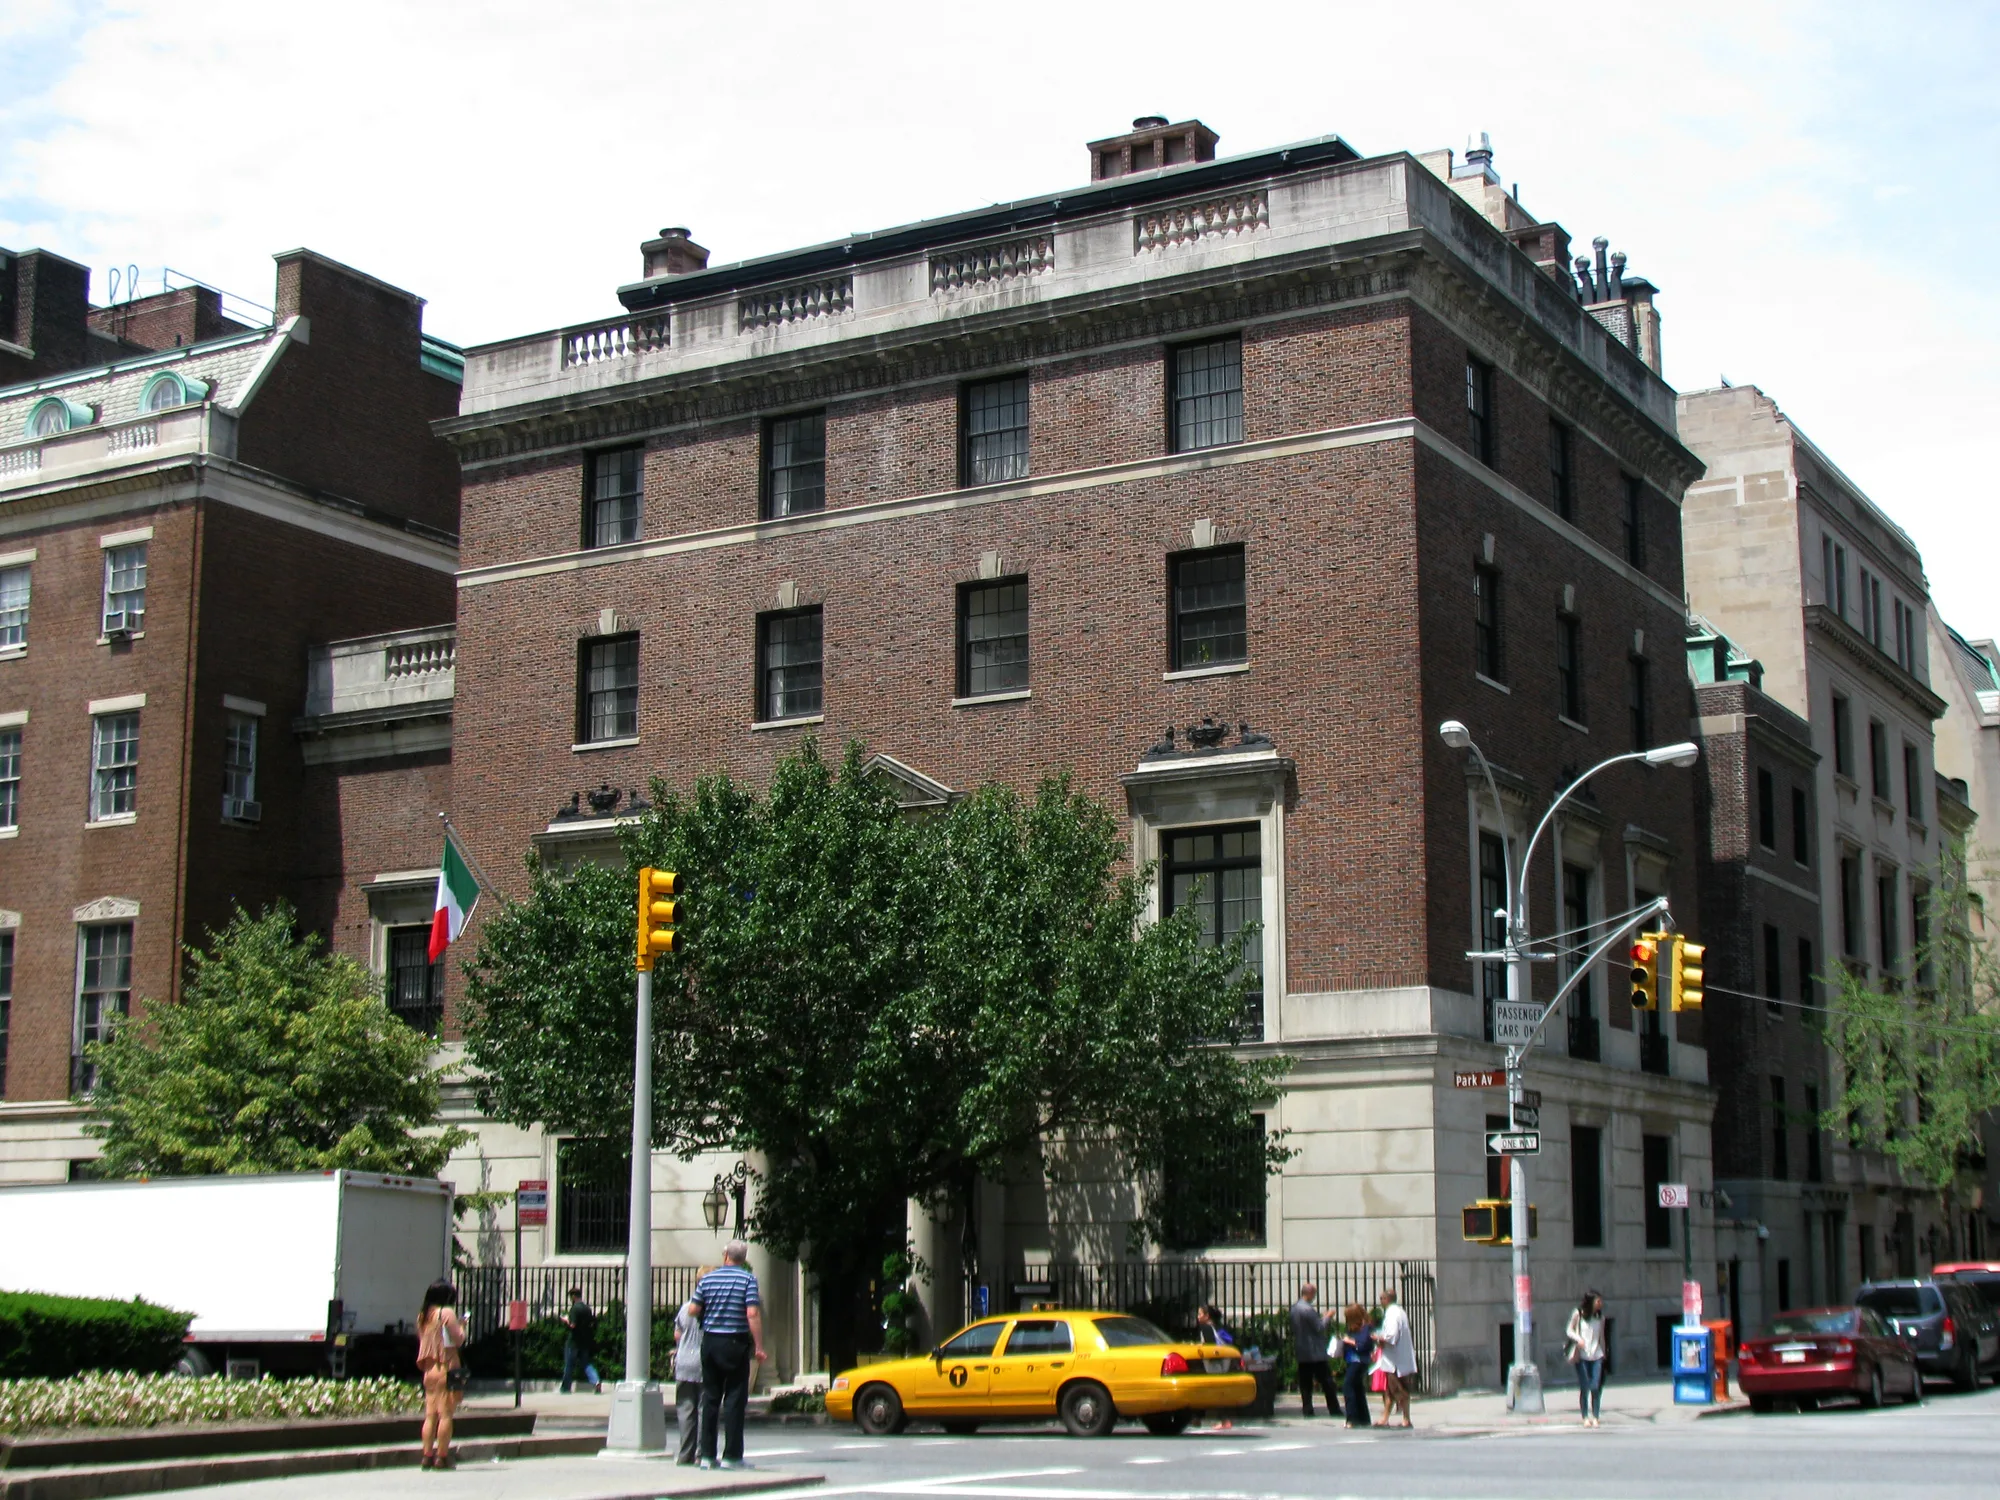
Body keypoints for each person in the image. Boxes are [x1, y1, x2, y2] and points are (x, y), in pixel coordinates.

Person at [690, 1241, 766, 1470]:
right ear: (743, 1258)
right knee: (734, 1399)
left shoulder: (708, 1279)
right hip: (736, 1341)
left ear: (725, 1256)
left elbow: (693, 1309)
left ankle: (707, 1455)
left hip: (711, 1341)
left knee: (710, 1398)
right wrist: (759, 1346)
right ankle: (732, 1455)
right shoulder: (748, 1280)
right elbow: (752, 1312)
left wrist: (710, 1313)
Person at [416, 1279, 467, 1470]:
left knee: (430, 1415)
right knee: (446, 1415)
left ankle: (426, 1455)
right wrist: (462, 1325)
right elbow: (459, 1340)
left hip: (429, 1371)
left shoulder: (423, 1316)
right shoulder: (446, 1313)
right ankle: (442, 1457)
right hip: (447, 1368)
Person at [673, 1268, 712, 1465]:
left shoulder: (685, 1308)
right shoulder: (712, 1309)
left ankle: (684, 1454)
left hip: (683, 1363)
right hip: (704, 1363)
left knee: (685, 1410)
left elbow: (677, 1335)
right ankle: (701, 1453)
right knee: (704, 1408)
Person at [1289, 1282, 1341, 1419]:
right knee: (1327, 1382)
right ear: (1310, 1293)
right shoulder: (1308, 1309)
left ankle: (1307, 1409)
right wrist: (1328, 1316)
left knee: (1305, 1383)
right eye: (1314, 1294)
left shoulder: (1294, 1309)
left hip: (1302, 1350)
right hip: (1315, 1353)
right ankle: (1334, 1409)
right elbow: (1319, 1327)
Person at [1565, 1290, 1607, 1426]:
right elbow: (1569, 1330)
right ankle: (1585, 1417)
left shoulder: (1600, 1317)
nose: (1600, 1303)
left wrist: (1604, 1352)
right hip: (1582, 1356)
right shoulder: (1578, 1313)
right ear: (1591, 1302)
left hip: (1597, 1355)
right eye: (1598, 1301)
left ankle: (1595, 1416)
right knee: (1585, 1387)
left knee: (1595, 1386)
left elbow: (1601, 1336)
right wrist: (1579, 1339)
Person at [1192, 1305, 1236, 1429]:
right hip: (1222, 1362)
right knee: (1211, 1391)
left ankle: (1202, 1417)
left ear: (1207, 1316)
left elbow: (1210, 1347)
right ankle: (1198, 1417)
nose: (1198, 1316)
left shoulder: (1206, 1328)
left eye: (1200, 1314)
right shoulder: (1217, 1327)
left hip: (1213, 1364)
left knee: (1211, 1391)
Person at [1377, 1285, 1415, 1427]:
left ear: (1387, 1299)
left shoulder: (1392, 1314)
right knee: (1392, 1391)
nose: (1380, 1301)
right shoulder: (1400, 1312)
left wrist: (1378, 1338)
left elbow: (1391, 1336)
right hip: (1399, 1360)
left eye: (1381, 1298)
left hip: (1395, 1362)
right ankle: (1392, 1418)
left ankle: (1401, 1419)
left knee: (1396, 1390)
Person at [1337, 1304, 1373, 1428]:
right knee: (1357, 1388)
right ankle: (1363, 1418)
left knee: (1348, 1386)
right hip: (1352, 1360)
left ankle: (1352, 1418)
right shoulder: (1354, 1328)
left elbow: (1362, 1345)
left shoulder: (1365, 1328)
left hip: (1358, 1361)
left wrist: (1348, 1341)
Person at [560, 1286, 601, 1395]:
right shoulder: (587, 1308)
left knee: (569, 1364)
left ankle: (565, 1388)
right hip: (585, 1341)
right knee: (586, 1363)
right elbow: (592, 1323)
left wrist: (565, 1320)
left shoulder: (575, 1309)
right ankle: (596, 1381)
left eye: (570, 1297)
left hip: (573, 1341)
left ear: (573, 1296)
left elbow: (573, 1325)